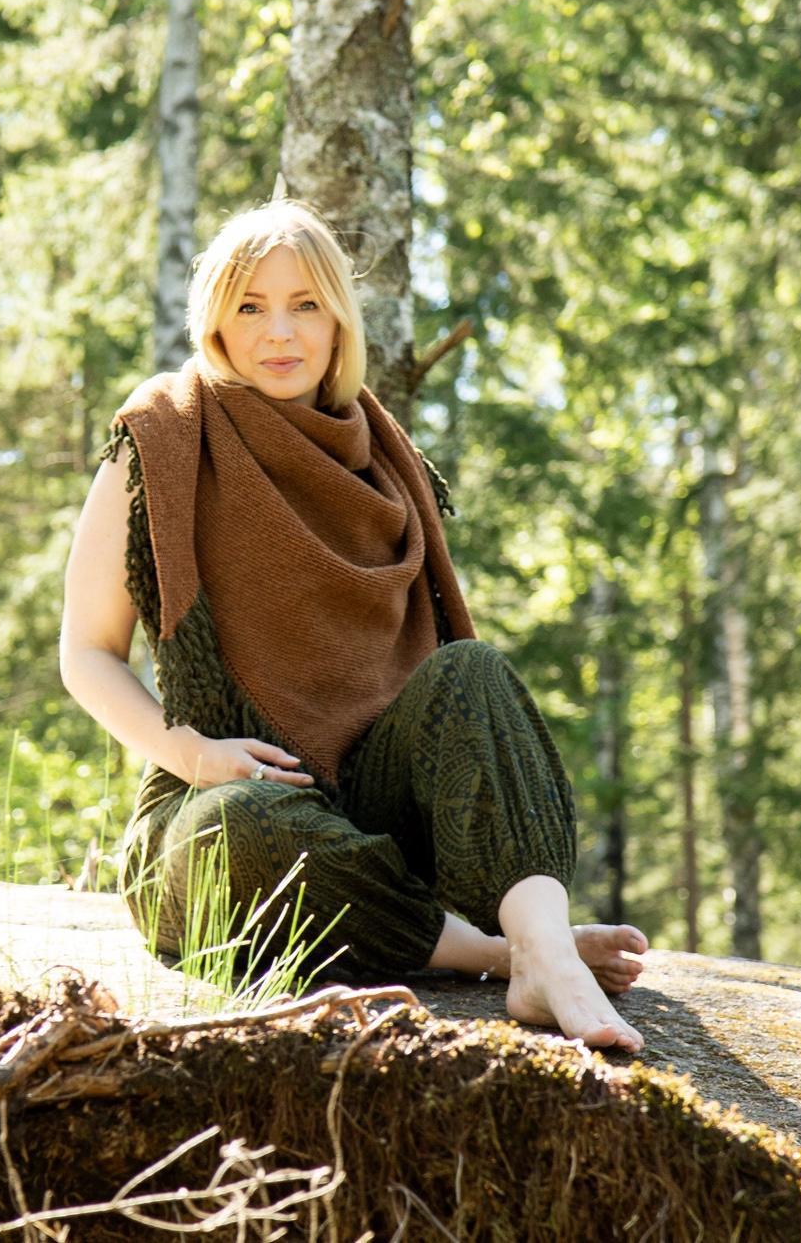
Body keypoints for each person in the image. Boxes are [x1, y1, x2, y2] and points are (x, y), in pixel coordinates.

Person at [60, 197, 647, 1052]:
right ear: (215, 322)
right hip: (214, 806)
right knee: (242, 829)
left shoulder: (385, 455)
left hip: (372, 811)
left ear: (338, 320)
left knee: (475, 672)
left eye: (305, 305)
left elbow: (443, 687)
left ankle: (544, 949)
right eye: (250, 307)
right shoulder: (162, 436)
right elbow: (85, 653)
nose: (279, 332)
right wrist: (196, 756)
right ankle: (496, 954)